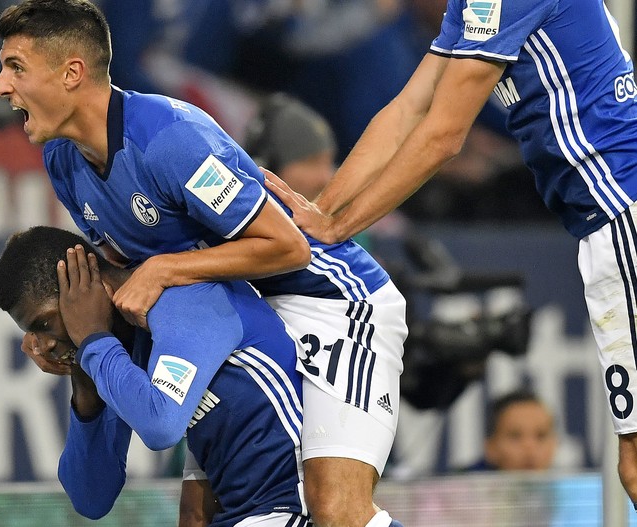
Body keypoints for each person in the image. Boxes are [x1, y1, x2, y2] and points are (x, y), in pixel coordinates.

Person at [0, 2, 407, 526]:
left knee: (336, 509)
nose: (1, 87)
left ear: (71, 72)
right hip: (230, 305)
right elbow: (123, 260)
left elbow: (289, 249)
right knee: (194, 517)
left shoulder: (170, 138)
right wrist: (82, 360)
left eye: (16, 67)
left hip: (331, 300)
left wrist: (163, 273)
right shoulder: (62, 160)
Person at [264, 0, 637, 505]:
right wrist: (320, 212)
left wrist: (337, 226)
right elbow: (407, 110)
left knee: (635, 459)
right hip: (609, 217)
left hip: (623, 211)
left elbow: (442, 136)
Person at [0, 226, 310, 526]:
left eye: (44, 323)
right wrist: (84, 379)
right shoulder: (116, 347)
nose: (43, 345)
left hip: (297, 503)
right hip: (248, 510)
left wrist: (91, 341)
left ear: (90, 286)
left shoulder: (184, 299)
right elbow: (91, 498)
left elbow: (162, 426)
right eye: (33, 331)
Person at [465, 390, 557, 472]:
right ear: (491, 448)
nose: (530, 447)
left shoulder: (566, 486)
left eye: (541, 436)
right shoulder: (459, 486)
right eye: (515, 436)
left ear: (554, 444)